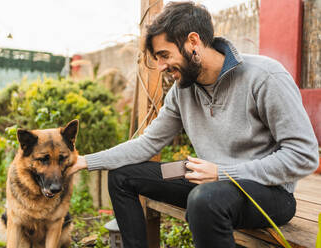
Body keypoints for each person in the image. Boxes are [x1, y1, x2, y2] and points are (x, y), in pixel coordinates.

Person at [70, 2, 319, 247]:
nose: (161, 66)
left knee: (204, 200)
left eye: (164, 55)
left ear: (192, 42)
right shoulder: (182, 91)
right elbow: (148, 143)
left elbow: (303, 156)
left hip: (268, 193)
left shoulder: (264, 77)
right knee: (122, 176)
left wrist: (222, 173)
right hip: (207, 181)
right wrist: (84, 161)